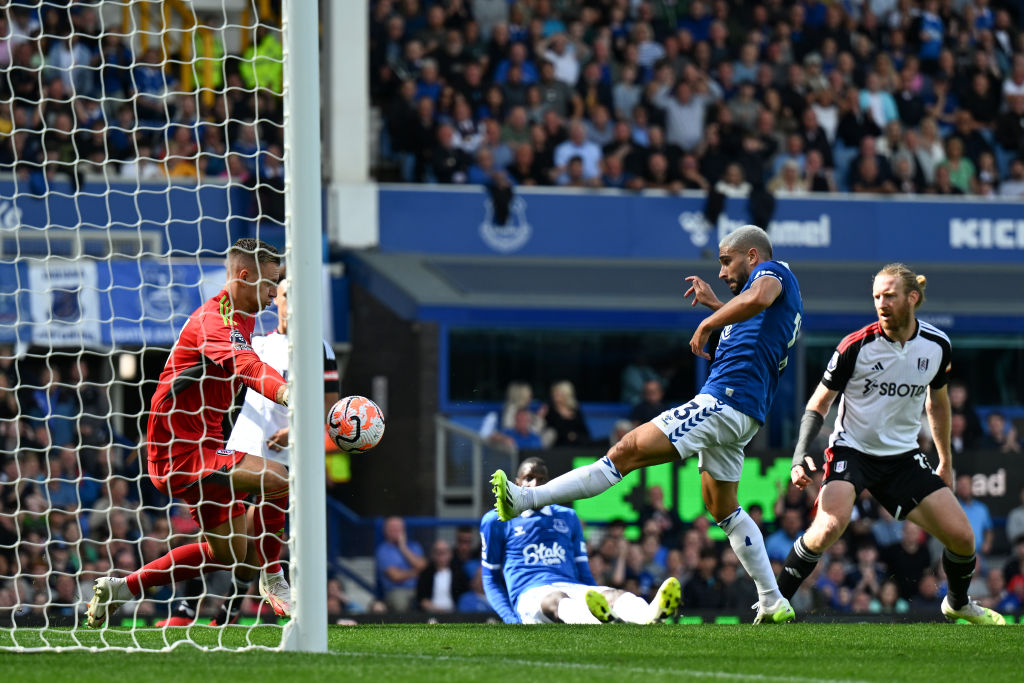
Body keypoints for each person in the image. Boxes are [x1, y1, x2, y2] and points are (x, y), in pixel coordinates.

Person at [492, 225, 803, 624]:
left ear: (754, 256)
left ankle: (526, 500)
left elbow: (758, 298)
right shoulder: (764, 306)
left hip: (725, 400)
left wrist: (709, 324)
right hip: (742, 412)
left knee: (625, 451)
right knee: (722, 509)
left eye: (727, 261)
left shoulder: (775, 272)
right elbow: (754, 318)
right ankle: (773, 598)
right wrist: (714, 308)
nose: (723, 273)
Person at [776, 263, 1005, 625]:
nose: (881, 303)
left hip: (903, 458)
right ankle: (774, 602)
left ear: (912, 298)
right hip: (852, 451)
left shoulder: (936, 345)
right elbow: (818, 402)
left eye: (890, 295)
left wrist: (945, 462)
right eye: (876, 297)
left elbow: (938, 403)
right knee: (828, 528)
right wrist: (800, 451)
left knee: (963, 538)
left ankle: (958, 603)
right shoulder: (856, 345)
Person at [87, 239, 291, 627]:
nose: (272, 294)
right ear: (244, 277)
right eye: (269, 285)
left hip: (208, 444)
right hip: (179, 453)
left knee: (234, 554)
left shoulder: (245, 316)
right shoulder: (215, 320)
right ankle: (274, 578)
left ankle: (123, 588)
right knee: (280, 481)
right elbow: (247, 366)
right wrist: (286, 393)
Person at [152, 271, 342, 625]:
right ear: (279, 302)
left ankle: (230, 611)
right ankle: (185, 609)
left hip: (288, 458)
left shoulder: (319, 349)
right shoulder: (256, 343)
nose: (292, 305)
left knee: (254, 542)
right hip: (243, 445)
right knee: (220, 535)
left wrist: (294, 433)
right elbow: (231, 390)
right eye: (286, 296)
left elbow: (330, 413)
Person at [481, 457, 680, 624]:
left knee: (612, 595)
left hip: (571, 585)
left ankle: (651, 614)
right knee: (555, 600)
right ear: (517, 483)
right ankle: (596, 620)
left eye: (541, 480)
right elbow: (490, 580)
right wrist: (511, 619)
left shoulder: (568, 517)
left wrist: (595, 591)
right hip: (530, 593)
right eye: (529, 478)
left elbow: (583, 570)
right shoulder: (496, 520)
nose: (535, 485)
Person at [376, 516, 427, 612]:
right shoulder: (383, 550)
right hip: (396, 591)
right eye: (392, 529)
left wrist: (403, 548)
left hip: (420, 589)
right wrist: (416, 572)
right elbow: (395, 576)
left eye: (398, 528)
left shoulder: (414, 546)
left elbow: (423, 566)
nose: (396, 531)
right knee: (400, 602)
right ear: (385, 531)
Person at [416, 539, 469, 613]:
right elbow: (421, 599)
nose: (441, 556)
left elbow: (465, 596)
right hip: (431, 614)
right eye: (438, 552)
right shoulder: (426, 574)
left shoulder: (459, 574)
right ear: (433, 554)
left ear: (450, 554)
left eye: (444, 552)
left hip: (455, 614)